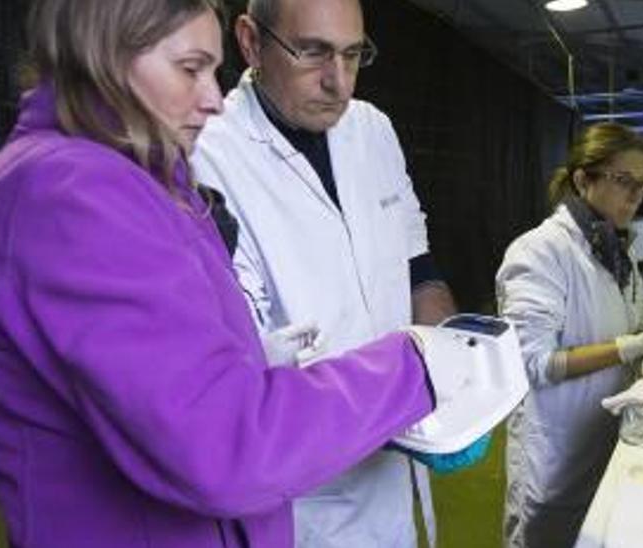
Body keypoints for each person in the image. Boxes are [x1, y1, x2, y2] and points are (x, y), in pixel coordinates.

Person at [0, 1, 444, 546]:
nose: (212, 99)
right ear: (104, 52)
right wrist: (419, 365)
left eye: (212, 70)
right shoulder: (71, 193)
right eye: (190, 68)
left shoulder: (145, 179)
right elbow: (224, 443)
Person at [190, 0, 457, 545]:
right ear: (249, 41)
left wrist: (455, 373)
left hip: (402, 456)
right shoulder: (208, 153)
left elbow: (419, 268)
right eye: (312, 52)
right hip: (309, 496)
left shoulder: (373, 130)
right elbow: (243, 364)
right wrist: (410, 382)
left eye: (353, 55)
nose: (339, 82)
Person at [496, 123, 643, 547]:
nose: (636, 196)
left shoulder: (616, 251)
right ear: (584, 179)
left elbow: (641, 319)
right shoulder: (539, 252)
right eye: (624, 182)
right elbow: (536, 364)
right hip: (556, 454)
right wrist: (631, 348)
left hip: (606, 440)